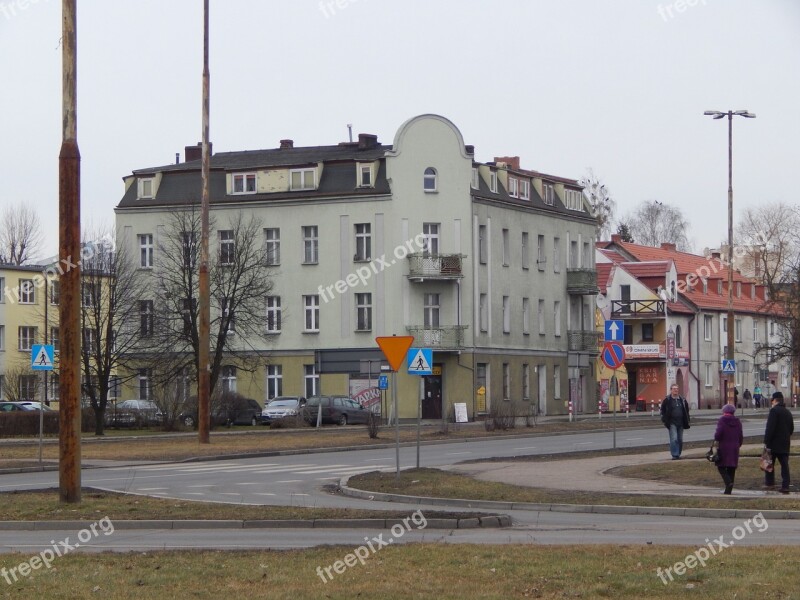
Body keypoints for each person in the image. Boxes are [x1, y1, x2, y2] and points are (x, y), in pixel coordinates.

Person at [764, 391, 794, 493]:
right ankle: (785, 485)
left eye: (772, 400)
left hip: (773, 444)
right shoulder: (788, 412)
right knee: (784, 466)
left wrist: (766, 441)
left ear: (775, 400)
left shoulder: (774, 411)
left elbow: (770, 428)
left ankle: (770, 484)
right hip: (785, 444)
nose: (771, 402)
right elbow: (791, 429)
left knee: (769, 465)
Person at [714, 404, 743, 494]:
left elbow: (718, 434)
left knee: (720, 466)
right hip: (734, 447)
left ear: (724, 411)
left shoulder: (722, 420)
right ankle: (728, 490)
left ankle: (728, 482)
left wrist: (716, 439)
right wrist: (738, 444)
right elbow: (740, 435)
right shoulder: (738, 421)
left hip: (724, 447)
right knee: (732, 467)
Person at [660, 383, 691, 459]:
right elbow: (662, 410)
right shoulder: (667, 400)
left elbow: (686, 410)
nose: (676, 390)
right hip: (672, 422)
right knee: (674, 439)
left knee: (680, 439)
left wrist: (687, 418)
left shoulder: (682, 400)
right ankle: (675, 454)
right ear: (671, 390)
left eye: (677, 389)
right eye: (674, 389)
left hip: (681, 422)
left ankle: (678, 453)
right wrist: (664, 419)